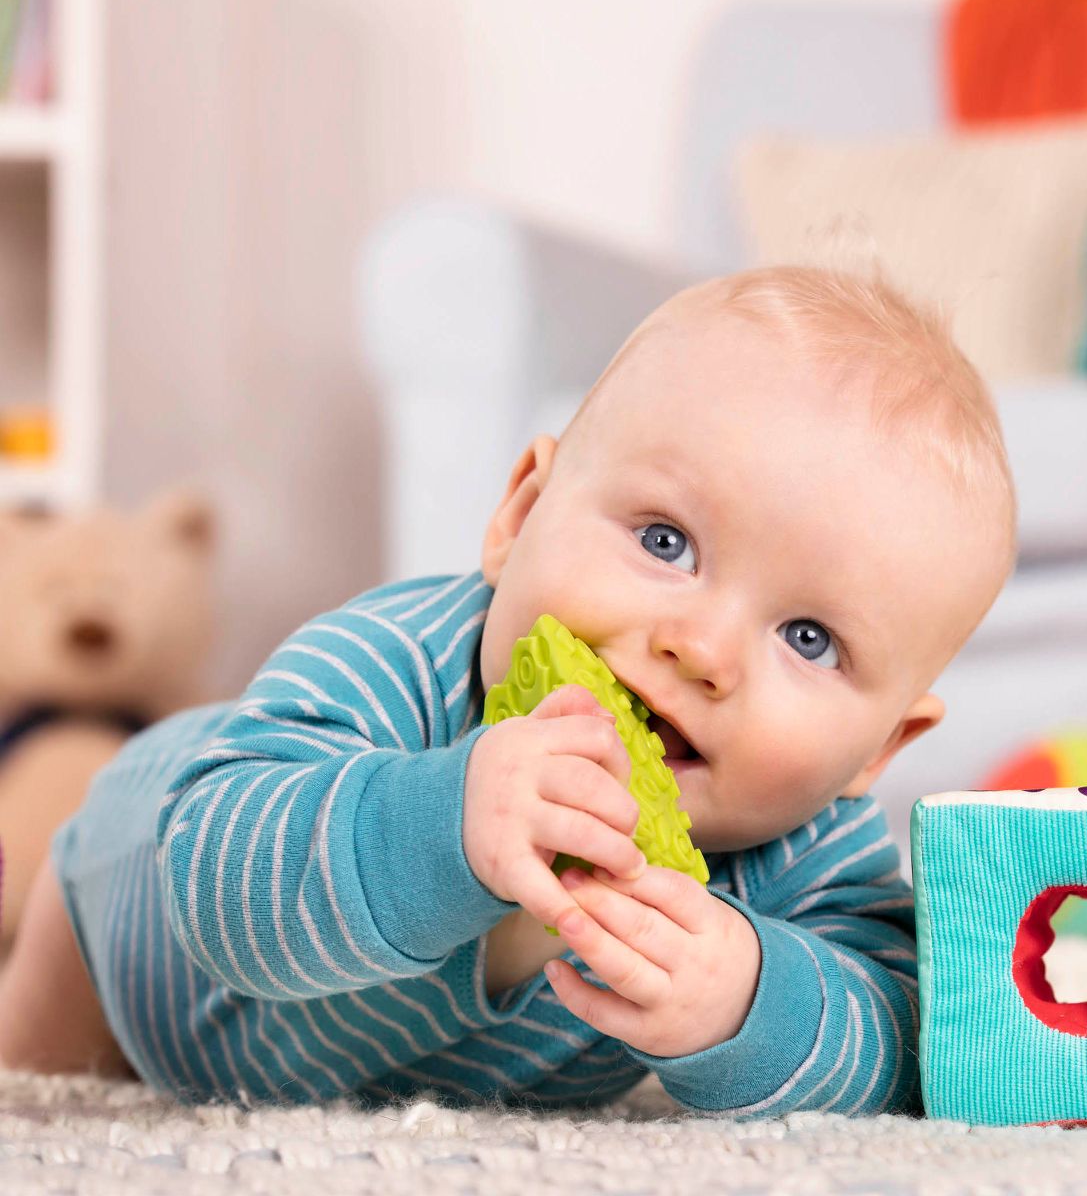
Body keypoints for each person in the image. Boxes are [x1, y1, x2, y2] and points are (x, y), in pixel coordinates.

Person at [0, 264, 1016, 1119]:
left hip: (367, 1092)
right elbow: (216, 880)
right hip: (121, 930)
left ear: (875, 754)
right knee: (29, 1095)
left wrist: (752, 997)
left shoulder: (798, 848)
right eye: (666, 542)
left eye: (808, 638)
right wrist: (444, 822)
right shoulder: (394, 663)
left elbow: (905, 1040)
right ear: (521, 513)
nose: (702, 649)